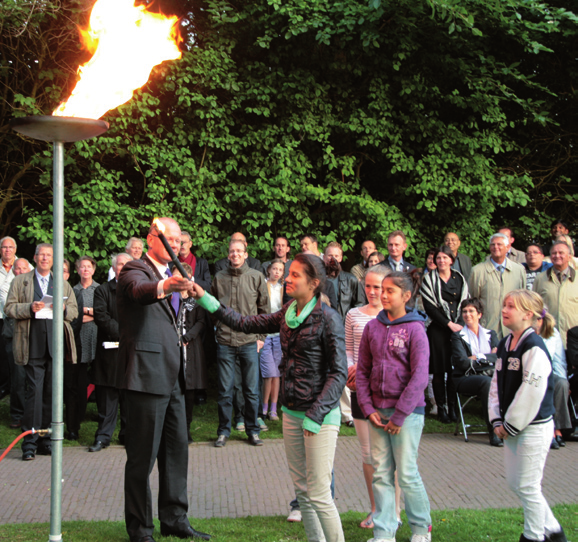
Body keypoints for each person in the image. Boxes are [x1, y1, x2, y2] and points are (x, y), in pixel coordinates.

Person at [191, 253, 347, 542]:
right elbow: (245, 322)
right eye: (289, 272)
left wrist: (315, 416)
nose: (288, 278)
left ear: (314, 283)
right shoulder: (288, 312)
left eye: (296, 275)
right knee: (302, 490)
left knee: (319, 492)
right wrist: (206, 299)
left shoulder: (328, 318)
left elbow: (339, 373)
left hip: (320, 417)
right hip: (292, 412)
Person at [116, 217, 210, 542]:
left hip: (174, 376)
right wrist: (165, 287)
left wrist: (183, 291)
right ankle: (140, 530)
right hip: (145, 375)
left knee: (176, 452)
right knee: (142, 458)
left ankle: (175, 519)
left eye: (178, 239)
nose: (176, 244)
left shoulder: (176, 274)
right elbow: (140, 293)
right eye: (169, 237)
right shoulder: (134, 269)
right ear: (152, 238)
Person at [356, 271, 432, 542]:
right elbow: (363, 371)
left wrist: (399, 416)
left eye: (390, 291)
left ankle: (422, 530)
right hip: (376, 413)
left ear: (407, 296)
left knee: (408, 473)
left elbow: (419, 376)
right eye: (381, 289)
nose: (382, 294)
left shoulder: (416, 329)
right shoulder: (371, 327)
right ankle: (384, 532)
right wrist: (367, 407)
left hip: (407, 415)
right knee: (381, 474)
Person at [489, 290, 566, 542]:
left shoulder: (534, 347)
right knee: (516, 484)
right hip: (510, 427)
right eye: (504, 305)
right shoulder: (505, 343)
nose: (504, 310)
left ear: (527, 314)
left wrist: (510, 424)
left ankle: (534, 536)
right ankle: (554, 531)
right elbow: (496, 384)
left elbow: (531, 392)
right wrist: (496, 420)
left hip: (533, 428)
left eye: (511, 306)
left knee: (529, 486)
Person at [4, 243, 78, 461]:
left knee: (51, 393)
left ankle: (47, 440)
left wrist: (64, 308)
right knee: (35, 392)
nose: (45, 258)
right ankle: (30, 441)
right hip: (32, 343)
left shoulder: (62, 284)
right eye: (41, 255)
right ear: (35, 258)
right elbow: (8, 308)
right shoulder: (21, 281)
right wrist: (29, 308)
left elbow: (73, 310)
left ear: (54, 259)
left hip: (55, 347)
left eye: (49, 255)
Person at [345, 266, 403, 530]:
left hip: (389, 395)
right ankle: (375, 509)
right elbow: (347, 350)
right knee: (369, 454)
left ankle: (395, 510)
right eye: (367, 286)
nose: (372, 292)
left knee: (392, 456)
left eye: (377, 286)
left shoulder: (397, 319)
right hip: (360, 392)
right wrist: (351, 370)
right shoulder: (353, 314)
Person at [211, 238, 269, 447]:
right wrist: (218, 327)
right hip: (225, 341)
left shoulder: (256, 277)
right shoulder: (219, 277)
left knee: (251, 390)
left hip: (249, 342)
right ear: (228, 255)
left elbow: (265, 311)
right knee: (225, 390)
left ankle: (253, 431)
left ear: (246, 254)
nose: (235, 254)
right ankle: (224, 431)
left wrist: (261, 338)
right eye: (231, 251)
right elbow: (213, 307)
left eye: (239, 251)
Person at [89, 253, 132, 452]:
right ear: (114, 268)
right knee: (107, 399)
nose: (122, 268)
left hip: (131, 354)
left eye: (126, 265)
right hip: (109, 352)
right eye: (120, 264)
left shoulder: (136, 290)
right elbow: (101, 316)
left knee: (129, 399)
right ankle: (103, 437)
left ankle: (128, 436)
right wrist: (123, 333)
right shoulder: (102, 290)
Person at [421, 245, 469, 423]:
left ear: (451, 260)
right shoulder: (429, 279)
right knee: (439, 372)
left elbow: (464, 302)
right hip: (438, 329)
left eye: (444, 257)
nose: (441, 261)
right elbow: (430, 307)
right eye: (438, 258)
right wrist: (448, 323)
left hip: (457, 328)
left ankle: (453, 407)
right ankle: (440, 408)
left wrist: (459, 324)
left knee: (454, 371)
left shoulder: (459, 278)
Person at [450, 298, 502, 446]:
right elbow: (462, 362)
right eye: (464, 311)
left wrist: (478, 357)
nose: (467, 315)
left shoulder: (491, 334)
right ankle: (493, 431)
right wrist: (488, 359)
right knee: (487, 383)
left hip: (489, 376)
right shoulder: (457, 336)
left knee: (506, 380)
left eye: (471, 311)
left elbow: (499, 357)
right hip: (465, 378)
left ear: (479, 314)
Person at [172, 262, 208, 444]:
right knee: (175, 389)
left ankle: (186, 429)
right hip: (173, 347)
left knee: (190, 390)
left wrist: (188, 337)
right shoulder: (170, 298)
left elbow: (202, 321)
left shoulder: (196, 298)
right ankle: (174, 430)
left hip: (191, 347)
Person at [468, 233, 526, 338]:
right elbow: (473, 300)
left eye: (499, 244)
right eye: (493, 245)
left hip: (513, 329)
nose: (496, 247)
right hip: (487, 328)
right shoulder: (477, 271)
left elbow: (523, 300)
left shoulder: (519, 270)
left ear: (508, 247)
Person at [67, 255, 100, 439]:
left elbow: (102, 313)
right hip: (78, 339)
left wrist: (85, 311)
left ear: (93, 270)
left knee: (99, 379)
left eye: (89, 267)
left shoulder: (99, 289)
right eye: (82, 267)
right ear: (77, 270)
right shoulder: (72, 290)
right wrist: (90, 313)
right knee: (77, 382)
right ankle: (75, 420)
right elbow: (72, 317)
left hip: (95, 338)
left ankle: (100, 417)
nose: (86, 270)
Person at [533, 313, 572, 450]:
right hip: (530, 374)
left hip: (549, 372)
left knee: (561, 384)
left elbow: (558, 360)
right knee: (542, 384)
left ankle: (558, 428)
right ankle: (551, 431)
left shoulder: (552, 333)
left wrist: (564, 380)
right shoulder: (523, 332)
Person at [2, 257, 32, 429]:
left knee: (32, 379)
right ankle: (17, 415)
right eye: (17, 268)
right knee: (18, 379)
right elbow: (9, 309)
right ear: (13, 271)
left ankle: (31, 413)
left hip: (31, 337)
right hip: (13, 337)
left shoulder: (33, 285)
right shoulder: (8, 287)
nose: (20, 271)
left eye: (23, 268)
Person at [533, 241, 578, 349]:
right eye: (554, 253)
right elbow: (534, 308)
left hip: (575, 340)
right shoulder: (540, 279)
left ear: (569, 256)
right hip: (548, 338)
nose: (557, 256)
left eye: (561, 253)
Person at [261, 259, 284, 421]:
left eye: (280, 270)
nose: (276, 272)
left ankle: (273, 409)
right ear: (268, 270)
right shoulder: (262, 285)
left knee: (277, 374)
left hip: (278, 335)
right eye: (274, 269)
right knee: (268, 373)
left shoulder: (284, 289)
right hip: (265, 334)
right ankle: (264, 407)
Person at [0, 236, 18, 400]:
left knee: (10, 355)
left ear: (15, 250)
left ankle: (10, 386)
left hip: (13, 318)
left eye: (10, 247)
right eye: (4, 247)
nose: (7, 250)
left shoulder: (23, 266)